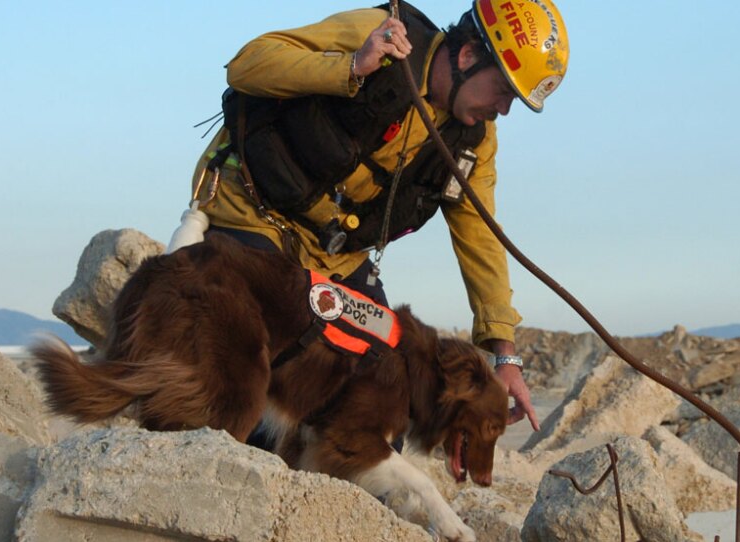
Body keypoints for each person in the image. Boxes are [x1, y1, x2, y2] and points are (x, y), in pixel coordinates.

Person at [188, 0, 569, 436]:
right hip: (252, 214)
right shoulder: (379, 34)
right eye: (504, 91)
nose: (503, 109)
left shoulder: (474, 143)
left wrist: (506, 356)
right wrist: (352, 65)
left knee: (389, 382)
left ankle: (345, 494)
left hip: (333, 258)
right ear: (468, 57)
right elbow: (246, 65)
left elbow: (480, 235)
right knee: (266, 359)